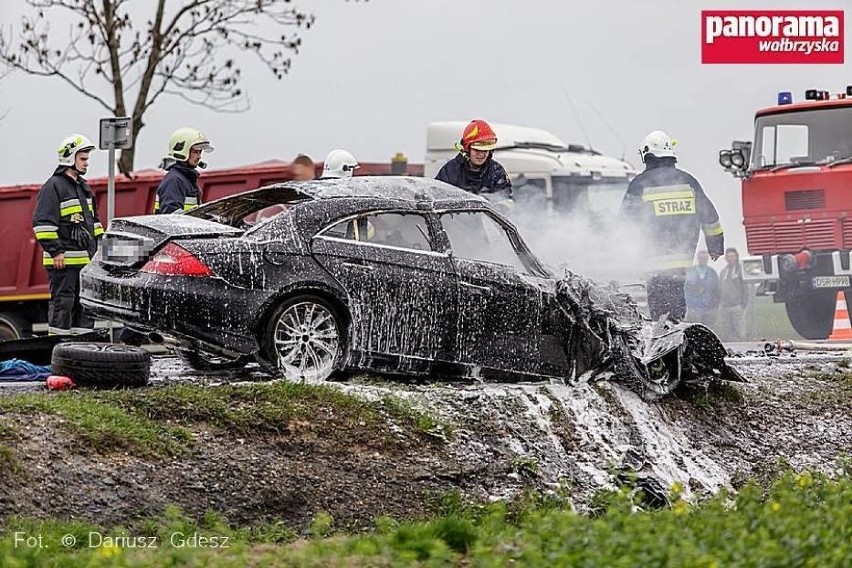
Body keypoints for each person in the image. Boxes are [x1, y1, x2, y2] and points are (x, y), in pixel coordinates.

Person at [620, 130, 724, 321]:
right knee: (676, 299)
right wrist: (715, 246)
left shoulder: (640, 184)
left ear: (647, 154)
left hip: (653, 260)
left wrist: (622, 252)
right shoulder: (688, 181)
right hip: (681, 259)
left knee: (658, 305)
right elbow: (710, 216)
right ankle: (675, 328)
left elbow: (625, 222)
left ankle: (664, 337)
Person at [32, 134, 103, 335]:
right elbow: (42, 224)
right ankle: (58, 349)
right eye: (83, 158)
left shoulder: (84, 187)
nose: (86, 163)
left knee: (85, 307)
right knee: (63, 304)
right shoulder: (53, 186)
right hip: (63, 263)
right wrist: (56, 252)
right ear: (70, 158)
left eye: (87, 159)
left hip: (85, 263)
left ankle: (81, 351)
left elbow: (94, 223)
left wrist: (98, 252)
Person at [435, 119, 513, 203]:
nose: (481, 155)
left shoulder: (496, 171)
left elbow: (506, 201)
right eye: (477, 150)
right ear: (467, 149)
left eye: (485, 150)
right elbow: (436, 198)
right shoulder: (450, 171)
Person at [153, 127, 214, 214]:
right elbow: (171, 216)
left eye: (200, 152)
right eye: (195, 152)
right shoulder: (174, 180)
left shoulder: (186, 179)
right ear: (182, 151)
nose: (199, 157)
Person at [717, 247, 749, 341]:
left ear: (736, 257)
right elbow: (719, 288)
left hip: (737, 306)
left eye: (732, 256)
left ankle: (741, 347)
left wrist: (743, 304)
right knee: (727, 330)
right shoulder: (724, 271)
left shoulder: (740, 271)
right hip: (725, 306)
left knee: (738, 330)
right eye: (728, 256)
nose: (730, 258)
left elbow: (745, 289)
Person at [684, 250, 720, 328]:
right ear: (698, 259)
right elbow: (686, 289)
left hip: (709, 307)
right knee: (695, 329)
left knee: (708, 328)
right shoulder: (691, 272)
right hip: (694, 307)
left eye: (705, 258)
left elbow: (717, 290)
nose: (703, 260)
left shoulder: (712, 272)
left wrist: (715, 305)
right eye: (701, 258)